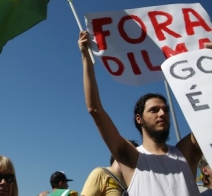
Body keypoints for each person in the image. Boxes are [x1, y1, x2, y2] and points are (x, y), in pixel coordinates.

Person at [78, 31, 203, 196]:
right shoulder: (132, 159)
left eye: (166, 110)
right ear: (139, 119)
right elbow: (95, 110)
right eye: (154, 110)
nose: (162, 114)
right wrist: (86, 57)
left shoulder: (186, 153)